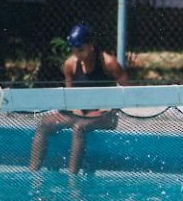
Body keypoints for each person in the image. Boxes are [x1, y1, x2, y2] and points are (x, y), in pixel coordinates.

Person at [29, 23, 128, 173]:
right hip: (79, 113)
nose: (77, 54)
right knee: (44, 124)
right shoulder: (70, 65)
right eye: (74, 50)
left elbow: (128, 92)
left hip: (106, 115)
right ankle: (33, 173)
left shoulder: (109, 63)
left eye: (81, 50)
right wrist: (77, 111)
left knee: (79, 127)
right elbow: (70, 97)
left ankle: (72, 179)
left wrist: (108, 107)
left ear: (91, 46)